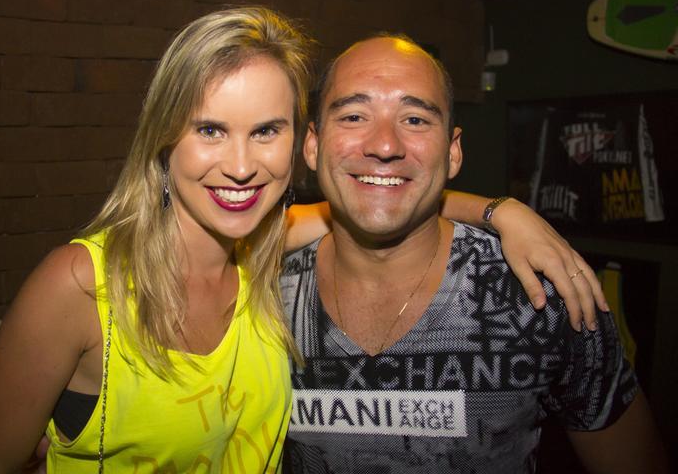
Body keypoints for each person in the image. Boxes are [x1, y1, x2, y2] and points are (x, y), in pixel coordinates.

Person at [0, 7, 608, 473]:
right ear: (164, 138)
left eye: (266, 130)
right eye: (211, 130)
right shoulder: (79, 287)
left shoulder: (266, 251)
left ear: (298, 144)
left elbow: (383, 192)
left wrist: (503, 212)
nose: (241, 165)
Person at [281, 35, 669, 473]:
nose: (385, 145)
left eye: (415, 119)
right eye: (354, 116)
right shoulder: (259, 291)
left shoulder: (541, 292)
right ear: (312, 145)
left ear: (453, 152)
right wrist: (497, 209)